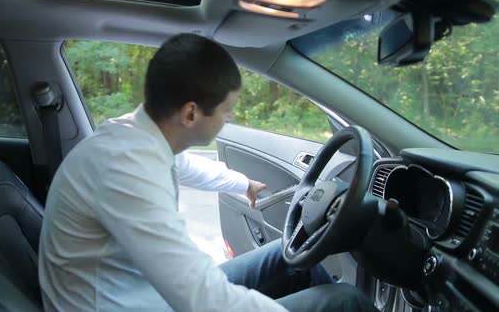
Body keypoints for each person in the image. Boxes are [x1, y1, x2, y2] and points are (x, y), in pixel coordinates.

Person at [38, 33, 378, 312]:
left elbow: (184, 166)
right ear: (190, 114)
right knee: (343, 302)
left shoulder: (133, 135)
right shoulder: (128, 171)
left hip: (141, 293)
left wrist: (242, 183)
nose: (228, 121)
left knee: (290, 256)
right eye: (227, 113)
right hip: (132, 304)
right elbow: (198, 296)